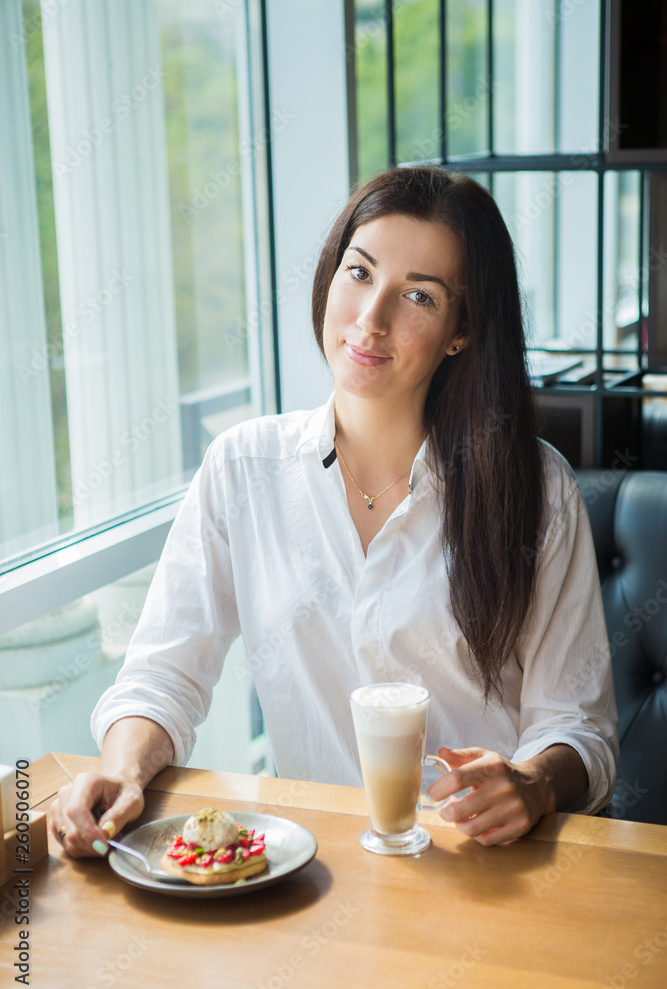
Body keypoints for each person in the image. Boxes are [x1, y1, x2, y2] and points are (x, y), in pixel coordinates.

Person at [50, 166, 618, 857]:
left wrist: (530, 782)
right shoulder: (243, 469)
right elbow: (164, 675)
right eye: (358, 273)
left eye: (418, 296)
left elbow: (578, 727)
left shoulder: (535, 490)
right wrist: (119, 769)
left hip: (487, 864)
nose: (370, 319)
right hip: (314, 870)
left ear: (461, 330)